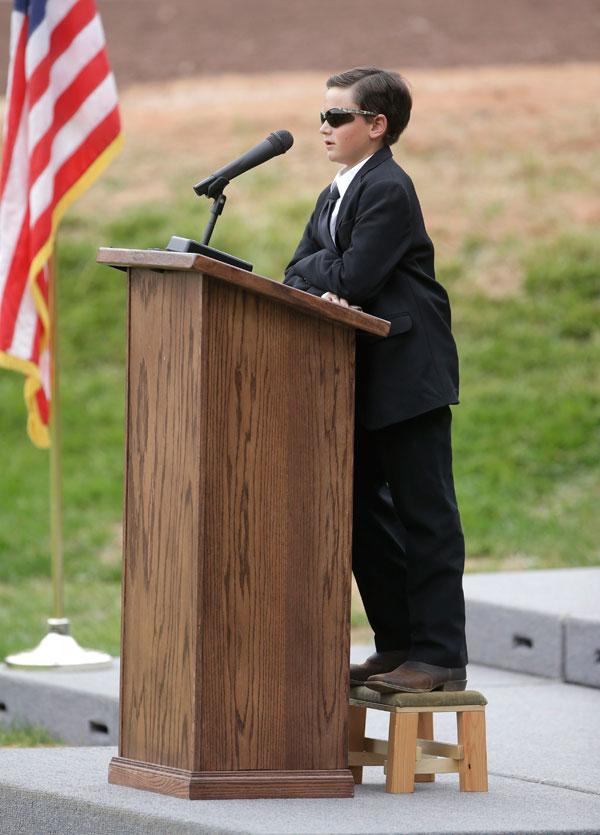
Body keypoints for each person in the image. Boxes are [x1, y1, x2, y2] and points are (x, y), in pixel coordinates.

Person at [283, 67, 468, 693]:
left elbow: (355, 278)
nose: (323, 127)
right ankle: (398, 644)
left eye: (337, 117)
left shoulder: (388, 187)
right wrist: (322, 268)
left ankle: (440, 655)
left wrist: (323, 267)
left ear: (376, 125)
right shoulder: (336, 190)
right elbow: (294, 271)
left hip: (408, 375)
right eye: (323, 115)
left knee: (425, 516)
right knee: (360, 514)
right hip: (355, 379)